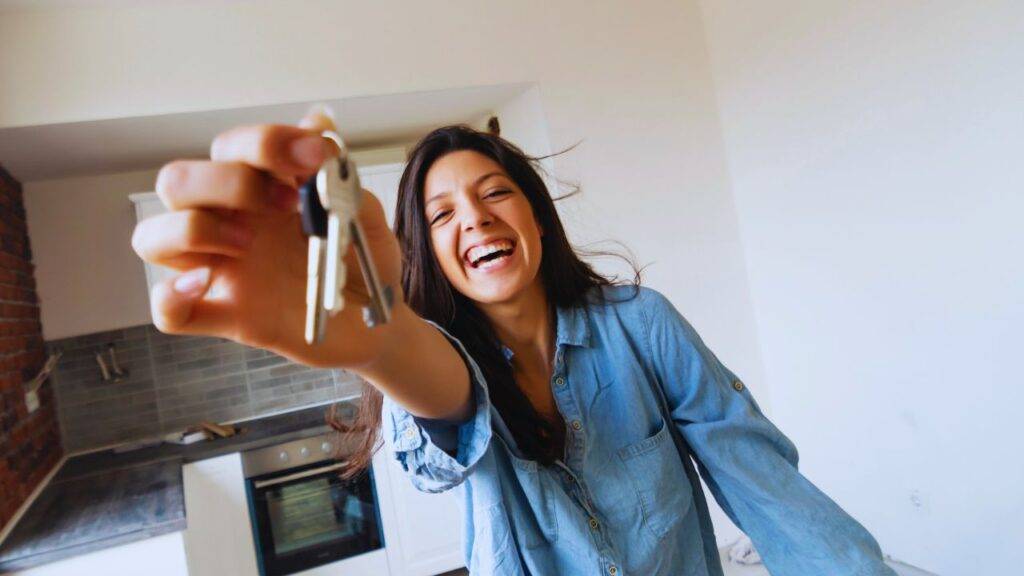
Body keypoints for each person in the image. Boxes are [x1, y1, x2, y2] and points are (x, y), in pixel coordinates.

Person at [132, 110, 896, 576]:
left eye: (495, 193)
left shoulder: (643, 321)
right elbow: (441, 403)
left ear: (535, 218)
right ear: (428, 252)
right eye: (441, 215)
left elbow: (763, 482)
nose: (475, 219)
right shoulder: (428, 356)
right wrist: (378, 339)